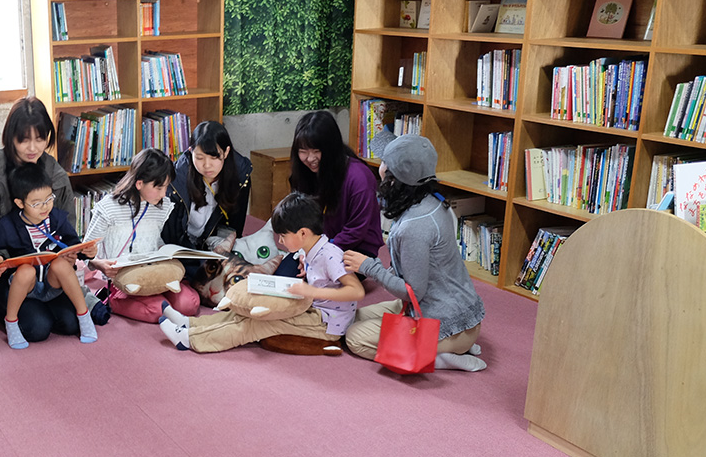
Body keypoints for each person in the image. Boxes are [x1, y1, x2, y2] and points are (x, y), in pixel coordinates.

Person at [342, 134, 487, 372]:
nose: (380, 166)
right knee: (351, 317)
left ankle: (442, 355)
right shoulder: (432, 201)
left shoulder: (414, 227)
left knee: (354, 338)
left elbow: (412, 292)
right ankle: (451, 346)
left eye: (384, 162)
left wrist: (369, 267)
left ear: (394, 176)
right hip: (453, 314)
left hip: (444, 321)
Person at [158, 193, 362, 352]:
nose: (280, 241)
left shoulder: (330, 255)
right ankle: (190, 324)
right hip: (312, 310)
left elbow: (356, 291)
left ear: (303, 233)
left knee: (257, 325)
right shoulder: (311, 248)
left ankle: (191, 339)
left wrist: (313, 292)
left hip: (325, 324)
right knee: (243, 311)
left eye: (283, 236)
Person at [0, 97, 85, 342]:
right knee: (37, 327)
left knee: (69, 323)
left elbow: (68, 227)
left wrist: (70, 251)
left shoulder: (55, 173)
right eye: (24, 139)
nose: (33, 147)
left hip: (49, 273)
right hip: (11, 274)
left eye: (40, 138)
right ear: (10, 138)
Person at [0, 165, 98, 349]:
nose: (45, 207)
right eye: (36, 203)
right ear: (20, 203)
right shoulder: (8, 225)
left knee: (61, 265)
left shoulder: (57, 218)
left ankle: (84, 316)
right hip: (26, 288)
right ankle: (11, 322)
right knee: (25, 271)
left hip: (52, 282)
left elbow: (73, 243)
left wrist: (87, 252)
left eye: (49, 199)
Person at [83, 148, 200, 322]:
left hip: (152, 270)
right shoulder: (108, 208)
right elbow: (84, 251)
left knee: (189, 304)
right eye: (158, 187)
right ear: (139, 183)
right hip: (122, 277)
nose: (163, 193)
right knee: (159, 310)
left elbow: (154, 238)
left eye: (166, 187)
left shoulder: (163, 206)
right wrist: (100, 265)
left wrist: (164, 250)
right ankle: (109, 299)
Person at [288, 110, 383, 259]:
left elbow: (356, 231)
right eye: (303, 151)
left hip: (355, 250)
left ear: (331, 149)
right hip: (315, 246)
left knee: (317, 280)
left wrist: (317, 254)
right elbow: (300, 219)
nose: (310, 158)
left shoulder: (359, 177)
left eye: (317, 151)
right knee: (285, 276)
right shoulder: (303, 173)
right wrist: (304, 251)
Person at [166, 120, 253, 273]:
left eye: (214, 158)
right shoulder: (176, 178)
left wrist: (222, 251)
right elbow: (173, 234)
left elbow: (234, 226)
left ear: (226, 152)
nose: (207, 165)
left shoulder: (240, 176)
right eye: (199, 157)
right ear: (190, 151)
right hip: (183, 249)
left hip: (215, 246)